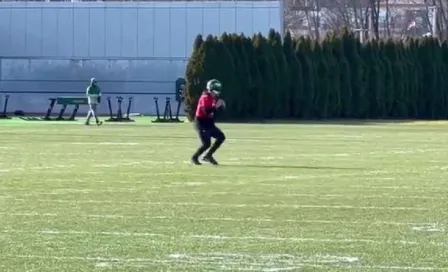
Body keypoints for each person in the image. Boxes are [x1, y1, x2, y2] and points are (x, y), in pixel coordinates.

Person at [191, 79, 226, 165]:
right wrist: (217, 106)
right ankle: (194, 157)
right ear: (210, 89)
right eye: (214, 91)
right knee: (206, 143)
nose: (216, 93)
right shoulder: (205, 97)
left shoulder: (212, 98)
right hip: (201, 122)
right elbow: (206, 111)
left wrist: (220, 108)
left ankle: (208, 155)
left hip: (209, 122)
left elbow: (213, 113)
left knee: (221, 137)